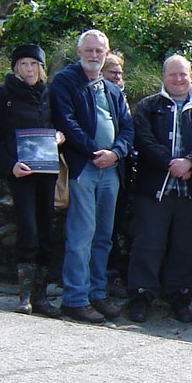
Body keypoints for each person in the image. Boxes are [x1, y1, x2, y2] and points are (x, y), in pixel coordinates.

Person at [125, 55, 192, 323]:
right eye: (172, 74)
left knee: (186, 249)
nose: (178, 79)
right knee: (147, 245)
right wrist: (170, 163)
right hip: (155, 190)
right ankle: (141, 297)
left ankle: (180, 298)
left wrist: (190, 162)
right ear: (164, 77)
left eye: (183, 74)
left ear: (191, 76)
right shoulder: (148, 106)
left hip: (191, 191)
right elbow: (143, 139)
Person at [49, 29, 134, 323]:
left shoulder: (112, 89)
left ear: (106, 54)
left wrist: (116, 153)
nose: (94, 55)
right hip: (83, 168)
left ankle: (97, 293)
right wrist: (94, 152)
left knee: (104, 237)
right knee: (81, 235)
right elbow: (66, 122)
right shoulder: (65, 81)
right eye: (89, 50)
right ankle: (75, 299)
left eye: (99, 51)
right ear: (79, 52)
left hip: (111, 170)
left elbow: (127, 128)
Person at [0, 44, 63, 318]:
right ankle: (25, 296)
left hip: (46, 171)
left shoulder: (48, 94)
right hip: (21, 172)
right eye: (24, 64)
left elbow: (59, 127)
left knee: (47, 231)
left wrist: (59, 138)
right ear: (16, 67)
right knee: (28, 229)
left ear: (41, 67)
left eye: (34, 64)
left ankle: (41, 296)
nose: (29, 69)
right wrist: (11, 165)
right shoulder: (5, 94)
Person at [101, 50, 132, 299]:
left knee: (113, 227)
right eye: (112, 72)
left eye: (120, 73)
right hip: (97, 168)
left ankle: (110, 276)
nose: (118, 77)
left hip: (120, 170)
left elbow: (128, 131)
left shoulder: (122, 99)